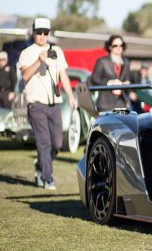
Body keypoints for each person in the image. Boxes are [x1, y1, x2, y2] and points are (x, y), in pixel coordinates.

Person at [17, 17, 77, 190]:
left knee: (57, 143)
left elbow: (63, 74)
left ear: (49, 33)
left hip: (54, 103)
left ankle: (40, 165)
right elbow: (25, 76)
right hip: (36, 104)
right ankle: (47, 177)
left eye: (45, 33)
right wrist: (39, 61)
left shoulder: (56, 50)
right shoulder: (26, 53)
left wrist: (71, 96)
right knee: (44, 142)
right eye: (39, 32)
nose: (42, 36)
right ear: (33, 32)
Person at [90, 35, 136, 112]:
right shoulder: (102, 61)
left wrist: (126, 84)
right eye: (115, 45)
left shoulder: (126, 62)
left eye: (121, 45)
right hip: (105, 103)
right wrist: (109, 82)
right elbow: (94, 78)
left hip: (121, 102)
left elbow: (127, 78)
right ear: (110, 47)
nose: (119, 47)